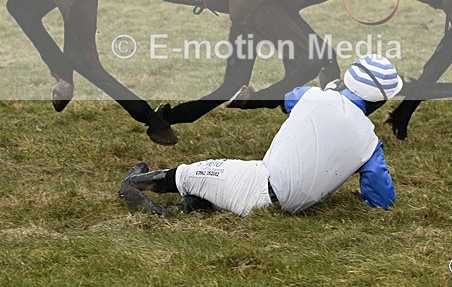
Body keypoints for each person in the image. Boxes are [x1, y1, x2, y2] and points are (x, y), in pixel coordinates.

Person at [119, 55, 401, 217]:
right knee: (214, 191)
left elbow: (284, 98)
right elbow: (383, 198)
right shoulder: (371, 144)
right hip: (288, 206)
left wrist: (250, 98)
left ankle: (134, 184)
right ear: (381, 102)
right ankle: (184, 208)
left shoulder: (314, 96)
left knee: (186, 174)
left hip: (258, 184)